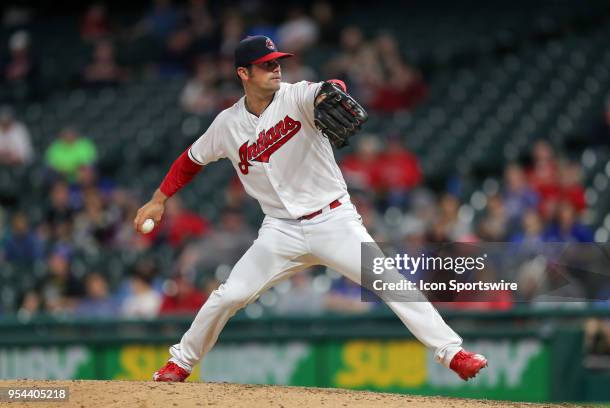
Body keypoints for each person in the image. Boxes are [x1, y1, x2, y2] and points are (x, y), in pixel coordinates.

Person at [133, 36, 487, 383]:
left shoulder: (296, 94)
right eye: (266, 65)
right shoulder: (226, 124)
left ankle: (453, 354)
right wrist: (159, 199)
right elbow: (190, 160)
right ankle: (180, 363)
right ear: (243, 73)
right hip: (280, 230)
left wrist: (332, 87)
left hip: (333, 220)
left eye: (277, 62)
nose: (276, 69)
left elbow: (327, 89)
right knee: (230, 295)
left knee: (389, 281)